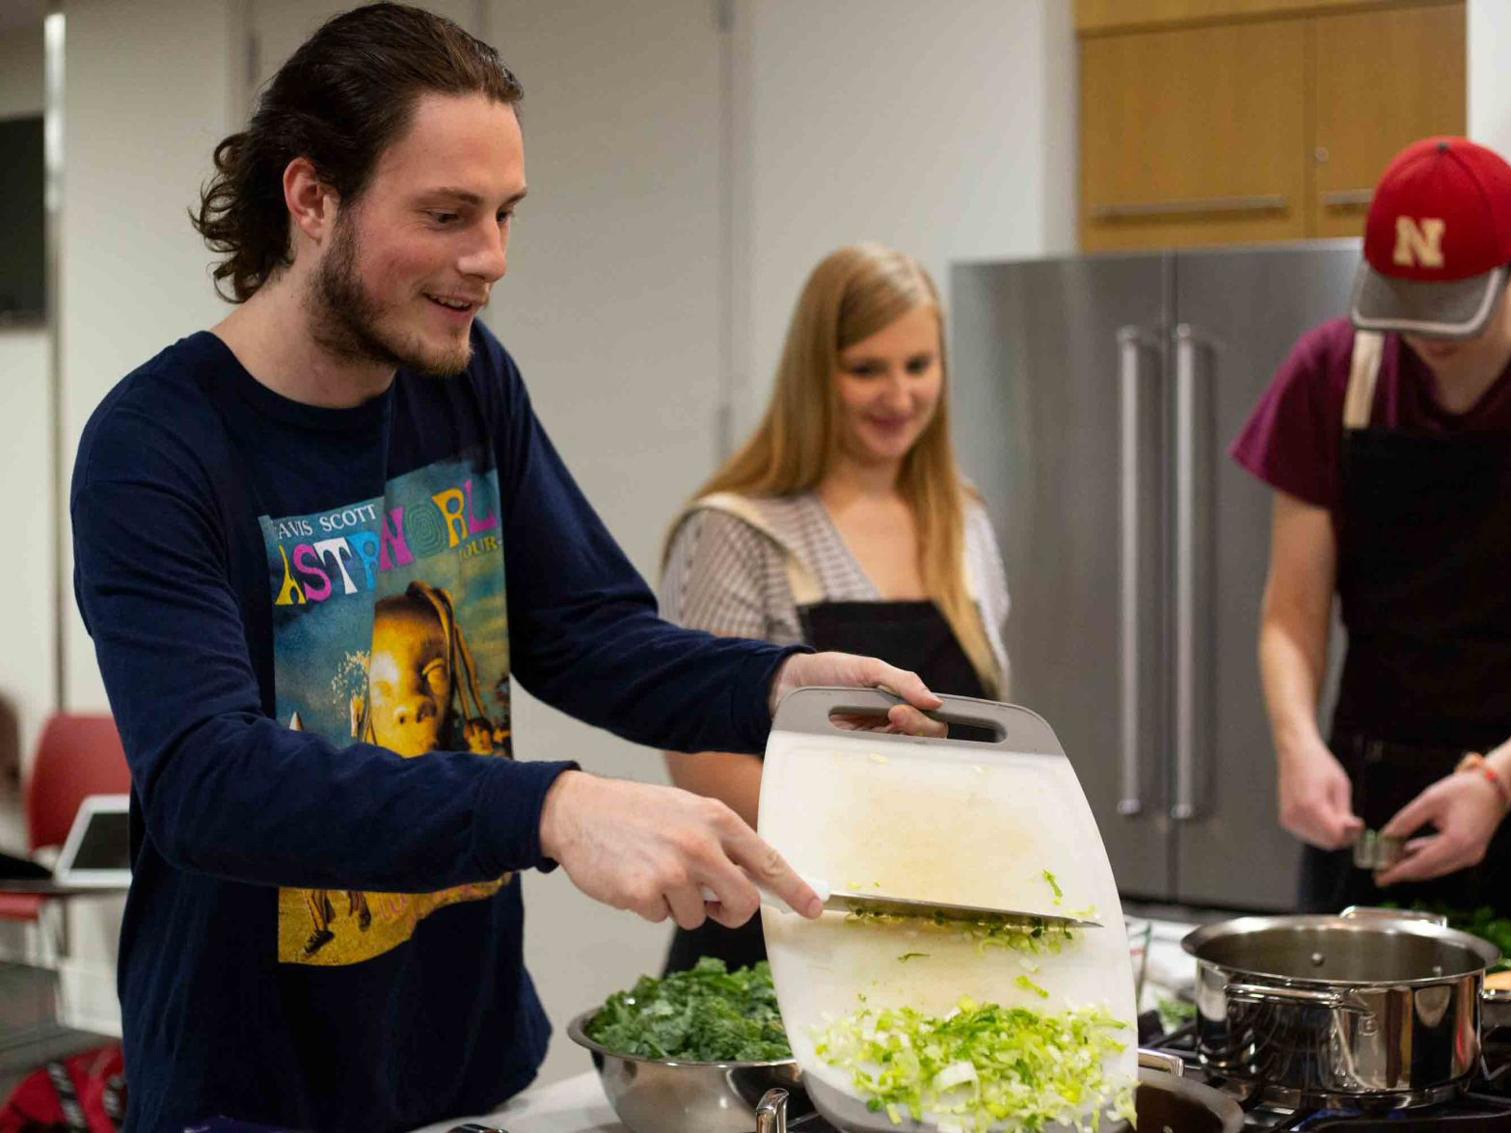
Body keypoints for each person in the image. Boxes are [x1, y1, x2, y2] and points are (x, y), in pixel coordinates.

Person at [68, 7, 943, 1130]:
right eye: (445, 214)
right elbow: (207, 781)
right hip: (251, 1086)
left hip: (458, 1048)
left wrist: (771, 687)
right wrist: (555, 809)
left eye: (501, 213)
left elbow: (582, 628)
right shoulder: (158, 444)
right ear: (311, 197)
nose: (489, 257)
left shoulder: (467, 382)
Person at [658, 244, 1012, 973]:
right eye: (866, 369)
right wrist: (878, 837)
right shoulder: (739, 528)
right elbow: (699, 755)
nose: (899, 395)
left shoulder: (962, 519)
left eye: (918, 366)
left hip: (937, 930)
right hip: (776, 934)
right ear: (816, 373)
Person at [1231, 136, 1511, 916]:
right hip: (1372, 790)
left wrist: (1496, 779)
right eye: (1403, 306)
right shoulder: (1331, 374)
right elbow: (1291, 612)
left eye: (1450, 308)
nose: (1423, 335)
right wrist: (1296, 743)